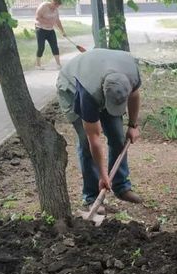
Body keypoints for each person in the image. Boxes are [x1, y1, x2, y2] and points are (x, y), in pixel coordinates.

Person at [57, 48, 142, 205]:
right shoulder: (87, 94)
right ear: (103, 92)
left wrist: (132, 125)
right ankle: (91, 196)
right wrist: (103, 175)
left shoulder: (131, 72)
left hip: (101, 75)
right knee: (85, 143)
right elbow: (94, 139)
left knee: (118, 137)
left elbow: (135, 95)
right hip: (73, 87)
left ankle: (121, 186)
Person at [34, 0, 65, 69]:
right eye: (55, 5)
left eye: (57, 6)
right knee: (41, 47)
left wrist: (62, 31)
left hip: (50, 30)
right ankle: (38, 65)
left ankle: (58, 64)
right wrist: (48, 22)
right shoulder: (43, 6)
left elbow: (58, 21)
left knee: (54, 46)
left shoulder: (56, 10)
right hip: (40, 29)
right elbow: (37, 18)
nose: (55, 7)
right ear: (52, 2)